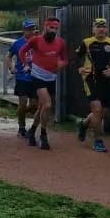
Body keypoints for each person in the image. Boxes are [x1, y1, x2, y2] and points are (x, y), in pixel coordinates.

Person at [75, 15, 110, 153]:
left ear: (107, 29)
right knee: (97, 109)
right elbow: (77, 57)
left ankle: (83, 124)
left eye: (103, 26)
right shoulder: (87, 42)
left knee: (102, 113)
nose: (101, 29)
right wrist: (80, 68)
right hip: (90, 79)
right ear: (93, 29)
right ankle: (98, 141)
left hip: (106, 82)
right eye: (98, 26)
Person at [22, 14, 70, 149]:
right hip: (37, 76)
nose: (53, 30)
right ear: (45, 27)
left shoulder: (61, 42)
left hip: (51, 77)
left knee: (42, 107)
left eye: (55, 28)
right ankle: (43, 135)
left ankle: (32, 131)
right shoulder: (36, 40)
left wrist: (62, 63)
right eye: (51, 27)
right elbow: (22, 51)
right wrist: (25, 64)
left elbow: (65, 59)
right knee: (48, 105)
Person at [8, 19, 39, 140]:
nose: (30, 31)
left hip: (35, 76)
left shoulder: (38, 42)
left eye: (32, 29)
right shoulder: (18, 43)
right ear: (23, 30)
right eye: (28, 29)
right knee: (22, 102)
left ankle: (20, 115)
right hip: (22, 76)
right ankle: (22, 127)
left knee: (34, 105)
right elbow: (9, 56)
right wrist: (11, 67)